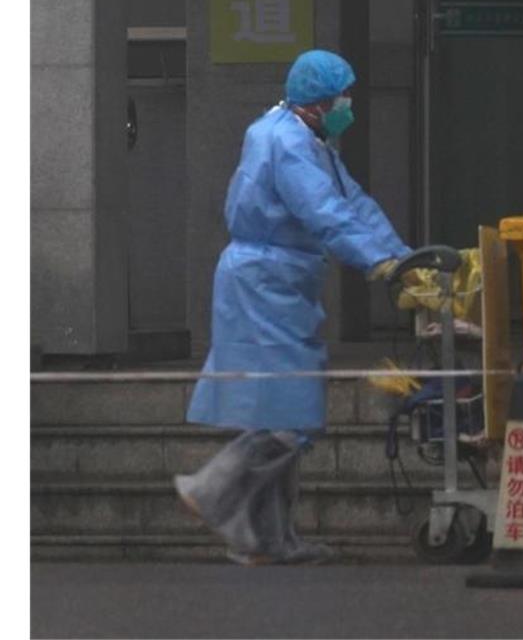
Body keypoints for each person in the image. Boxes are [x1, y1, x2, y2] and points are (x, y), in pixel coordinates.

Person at [174, 49, 411, 565]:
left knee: (275, 410)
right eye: (342, 95)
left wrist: (399, 257)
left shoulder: (300, 135)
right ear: (322, 101)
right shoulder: (289, 144)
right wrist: (378, 262)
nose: (348, 103)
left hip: (273, 279)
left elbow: (354, 204)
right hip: (266, 282)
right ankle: (211, 488)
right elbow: (327, 214)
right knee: (288, 412)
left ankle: (265, 542)